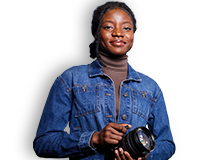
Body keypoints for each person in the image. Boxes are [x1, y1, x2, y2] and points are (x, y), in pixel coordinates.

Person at [33, 1, 175, 160]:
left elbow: (167, 143)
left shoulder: (150, 87)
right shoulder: (70, 79)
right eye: (109, 27)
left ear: (133, 35)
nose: (118, 33)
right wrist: (94, 139)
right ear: (96, 32)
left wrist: (145, 156)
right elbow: (43, 143)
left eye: (126, 28)